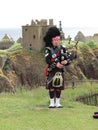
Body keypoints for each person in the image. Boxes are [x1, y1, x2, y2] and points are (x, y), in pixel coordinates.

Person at [44, 26, 73, 108]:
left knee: (58, 87)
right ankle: (52, 103)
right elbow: (47, 60)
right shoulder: (48, 49)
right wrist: (56, 64)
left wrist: (66, 62)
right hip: (52, 70)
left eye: (58, 40)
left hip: (60, 71)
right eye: (55, 40)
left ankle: (58, 103)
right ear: (52, 40)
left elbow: (68, 58)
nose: (56, 42)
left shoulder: (63, 49)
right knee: (52, 87)